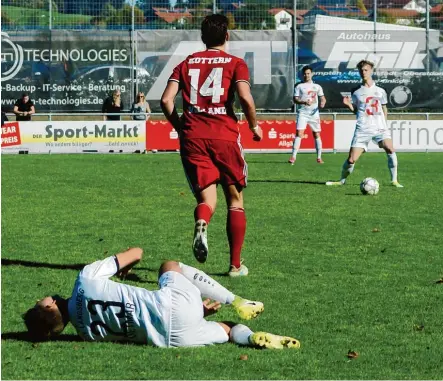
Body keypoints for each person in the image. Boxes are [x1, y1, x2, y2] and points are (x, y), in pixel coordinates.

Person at [23, 248, 300, 350]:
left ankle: (250, 338)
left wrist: (197, 313)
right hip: (171, 305)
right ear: (49, 305)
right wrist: (123, 267)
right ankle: (236, 299)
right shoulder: (85, 279)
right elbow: (137, 252)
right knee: (169, 265)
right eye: (40, 301)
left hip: (170, 338)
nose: (41, 297)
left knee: (228, 330)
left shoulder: (86, 336)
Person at [160, 14, 263, 276]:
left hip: (193, 137)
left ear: (203, 38)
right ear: (227, 36)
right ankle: (235, 265)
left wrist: (180, 127)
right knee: (235, 200)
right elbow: (245, 98)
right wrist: (253, 126)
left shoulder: (187, 63)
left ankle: (202, 221)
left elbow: (166, 101)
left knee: (207, 198)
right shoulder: (236, 63)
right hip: (224, 135)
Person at [326, 60, 403, 188]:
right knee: (351, 159)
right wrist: (349, 105)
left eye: (366, 70)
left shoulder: (380, 91)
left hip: (380, 128)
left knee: (390, 148)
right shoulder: (356, 91)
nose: (363, 72)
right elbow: (358, 111)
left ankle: (394, 180)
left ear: (371, 71)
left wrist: (384, 123)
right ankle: (341, 180)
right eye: (361, 70)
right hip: (363, 128)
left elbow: (384, 108)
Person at [289, 66, 326, 165]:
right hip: (303, 113)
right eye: (305, 74)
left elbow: (322, 98)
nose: (306, 75)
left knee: (316, 134)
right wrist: (303, 101)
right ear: (303, 75)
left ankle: (319, 157)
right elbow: (295, 99)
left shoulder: (317, 86)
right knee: (299, 133)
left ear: (312, 74)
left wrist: (322, 102)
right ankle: (293, 156)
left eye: (308, 73)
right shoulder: (299, 86)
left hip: (314, 114)